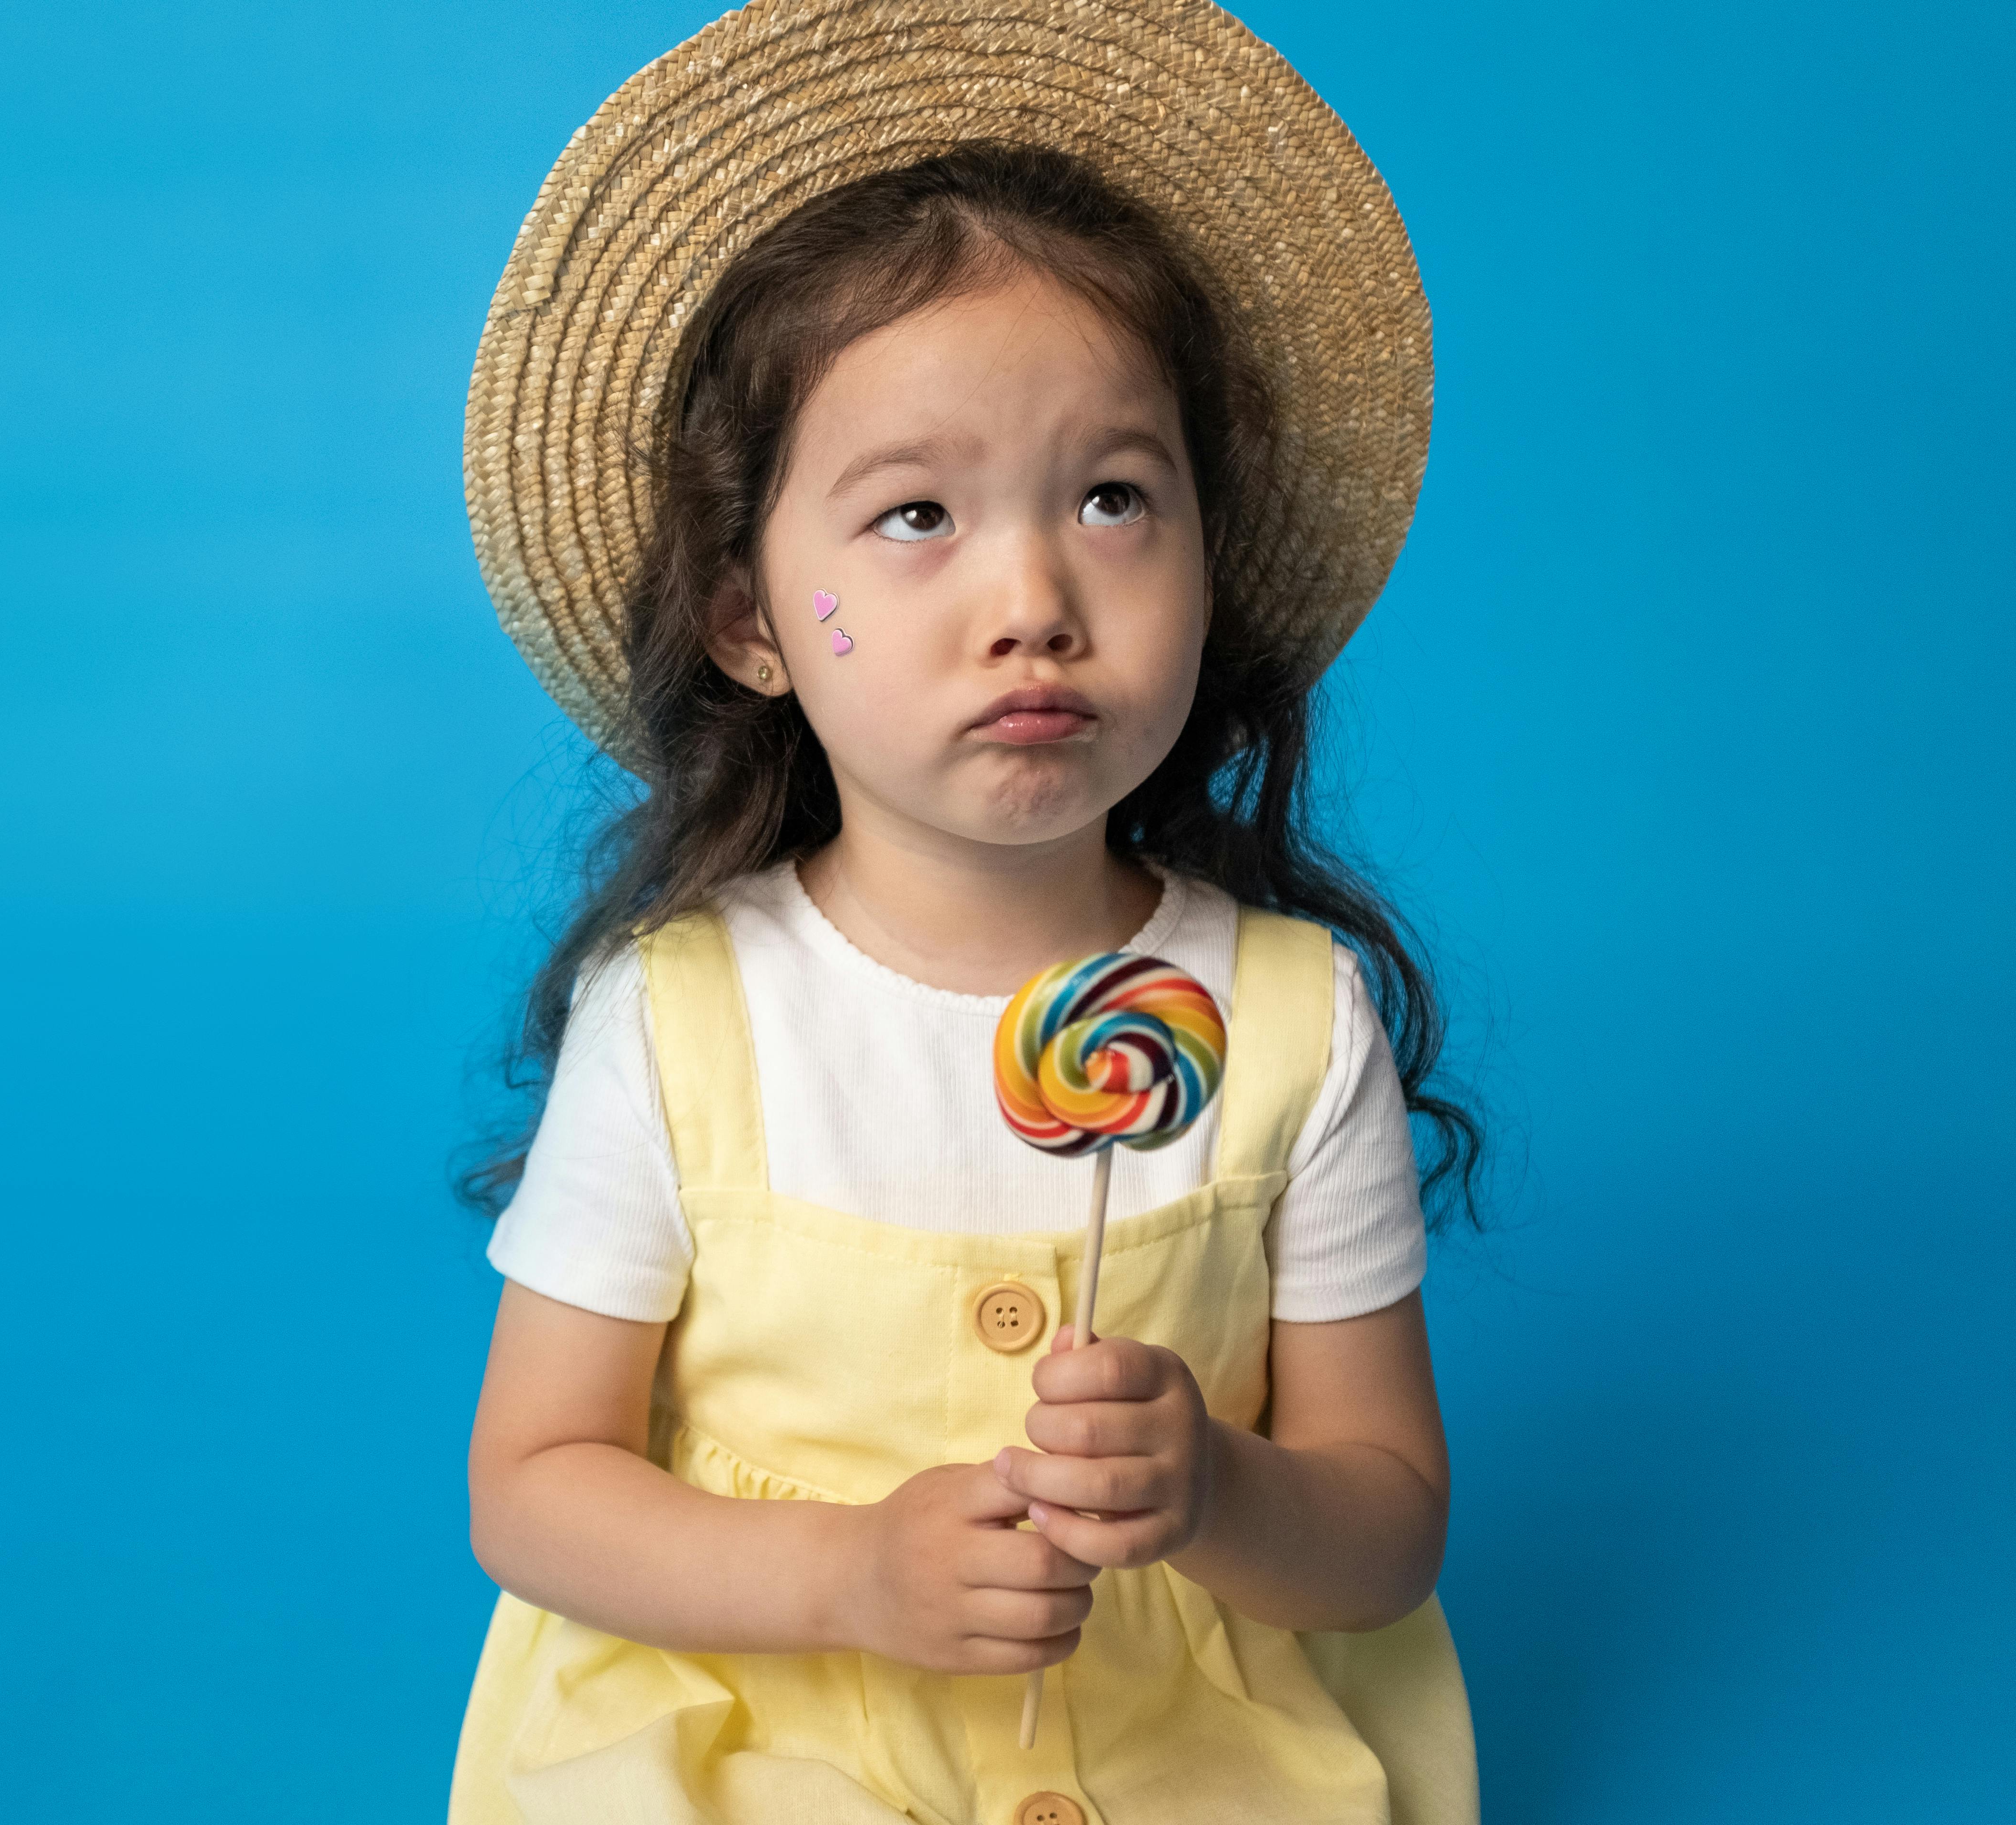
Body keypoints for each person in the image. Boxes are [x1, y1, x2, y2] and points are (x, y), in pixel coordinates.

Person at [450, 4, 1484, 1820]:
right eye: (915, 514)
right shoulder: (686, 1020)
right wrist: (847, 1576)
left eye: (1110, 496)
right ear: (754, 623)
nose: (1032, 596)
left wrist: (1222, 1494)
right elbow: (532, 1485)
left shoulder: (1296, 1027)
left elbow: (1386, 1526)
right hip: (761, 1731)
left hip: (1177, 1748)